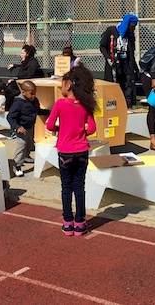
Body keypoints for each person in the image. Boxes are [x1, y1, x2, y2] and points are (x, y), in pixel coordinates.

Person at [45, 66, 97, 236]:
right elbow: (92, 129)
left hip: (65, 151)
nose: (60, 87)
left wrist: (61, 130)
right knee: (79, 187)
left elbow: (50, 125)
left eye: (62, 84)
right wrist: (80, 131)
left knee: (66, 187)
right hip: (82, 150)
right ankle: (80, 222)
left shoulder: (60, 104)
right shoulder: (86, 104)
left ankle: (68, 222)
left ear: (68, 85)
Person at [7, 80, 50, 177]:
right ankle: (17, 165)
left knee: (29, 144)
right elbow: (10, 117)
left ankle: (26, 156)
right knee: (21, 145)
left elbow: (37, 111)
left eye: (35, 93)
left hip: (30, 126)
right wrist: (17, 127)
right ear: (23, 92)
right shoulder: (18, 102)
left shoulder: (34, 101)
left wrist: (48, 112)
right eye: (31, 94)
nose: (33, 96)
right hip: (21, 128)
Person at [99, 13, 139, 108]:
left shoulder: (130, 36)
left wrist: (135, 68)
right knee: (113, 88)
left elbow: (131, 53)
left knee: (127, 89)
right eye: (132, 26)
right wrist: (108, 58)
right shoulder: (111, 31)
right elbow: (102, 46)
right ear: (127, 24)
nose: (133, 29)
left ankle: (127, 108)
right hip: (114, 65)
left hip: (126, 65)